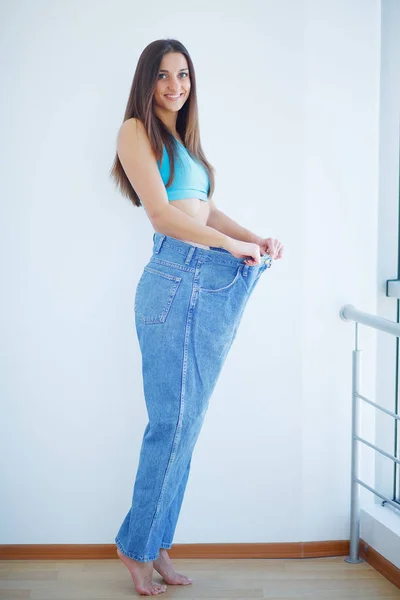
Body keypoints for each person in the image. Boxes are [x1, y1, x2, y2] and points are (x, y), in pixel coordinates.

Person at [109, 38, 284, 596]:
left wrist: (250, 237)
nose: (174, 85)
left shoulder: (186, 143)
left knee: (188, 426)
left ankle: (158, 543)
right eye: (162, 75)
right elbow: (163, 217)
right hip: (171, 279)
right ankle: (135, 548)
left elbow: (205, 209)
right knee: (171, 423)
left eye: (183, 74)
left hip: (201, 279)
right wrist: (226, 248)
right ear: (147, 81)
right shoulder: (135, 130)